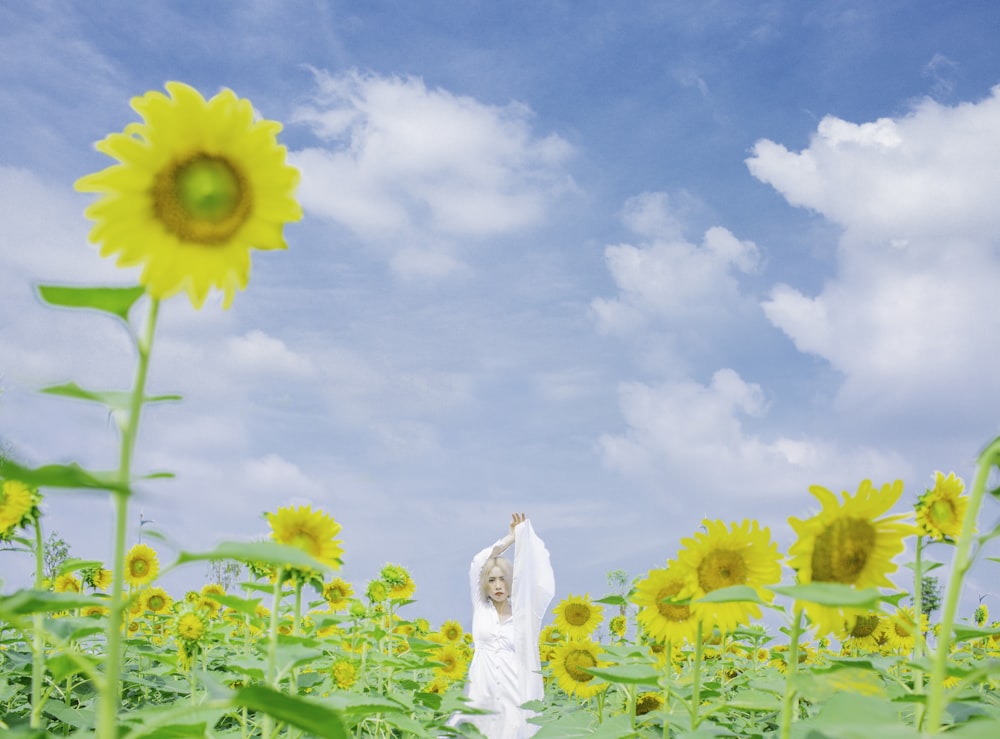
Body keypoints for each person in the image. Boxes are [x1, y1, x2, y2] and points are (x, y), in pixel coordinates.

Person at [451, 512, 555, 738]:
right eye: (491, 580)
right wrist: (509, 540)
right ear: (485, 585)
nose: (498, 585)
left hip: (513, 690)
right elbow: (479, 563)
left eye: (502, 579)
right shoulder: (481, 608)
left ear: (511, 582)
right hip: (481, 688)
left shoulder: (523, 615)